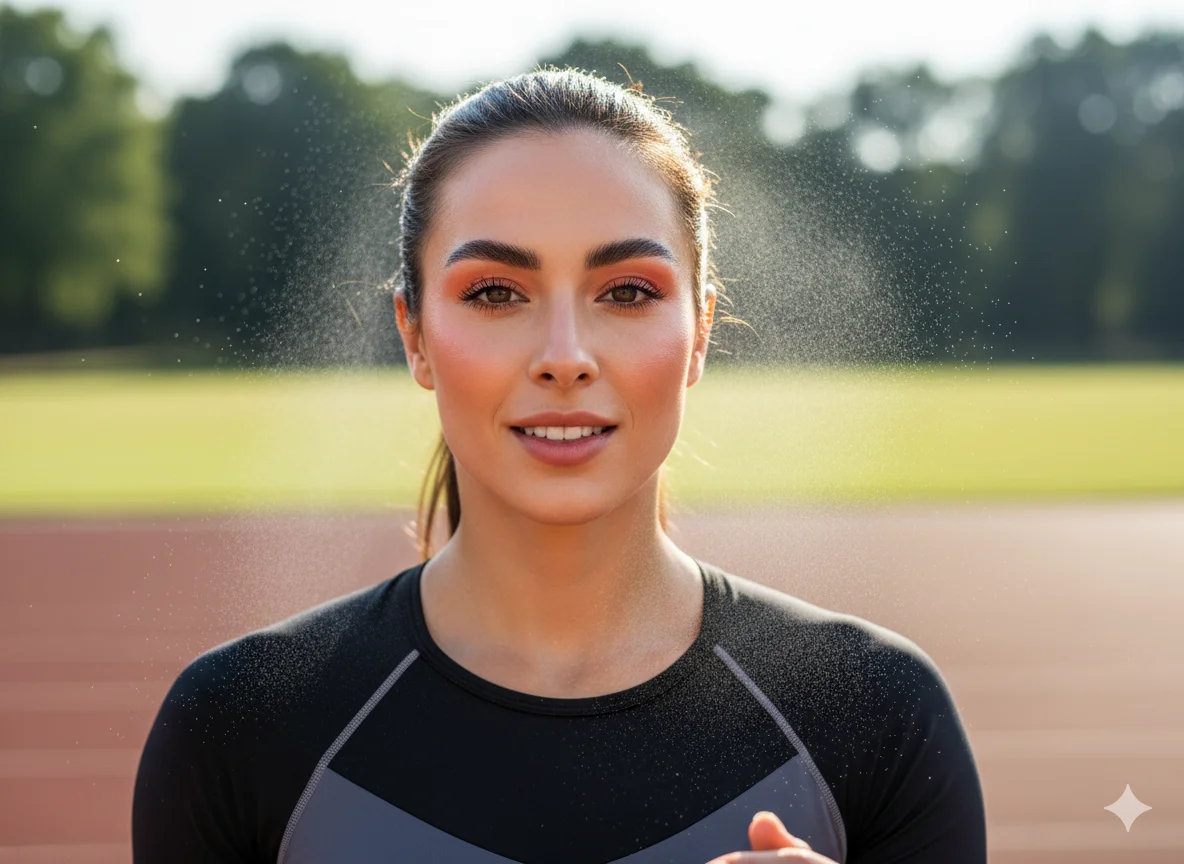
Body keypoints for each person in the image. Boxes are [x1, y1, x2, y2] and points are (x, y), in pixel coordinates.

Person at [132, 67, 987, 864]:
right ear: (415, 335)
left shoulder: (876, 712)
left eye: (628, 292)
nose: (565, 356)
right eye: (496, 293)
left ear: (700, 333)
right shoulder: (238, 726)